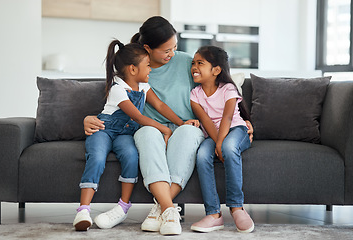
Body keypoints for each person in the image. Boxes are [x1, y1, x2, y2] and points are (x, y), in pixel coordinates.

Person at [83, 16, 253, 236]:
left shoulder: (186, 63)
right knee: (146, 135)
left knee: (187, 132)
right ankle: (169, 209)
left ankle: (161, 208)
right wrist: (88, 118)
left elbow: (217, 88)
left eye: (174, 47)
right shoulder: (135, 70)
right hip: (151, 128)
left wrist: (243, 118)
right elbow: (115, 102)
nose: (172, 54)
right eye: (166, 50)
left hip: (187, 127)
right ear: (147, 49)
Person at [73, 39, 191, 231]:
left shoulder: (143, 87)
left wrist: (180, 122)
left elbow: (160, 106)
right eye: (147, 66)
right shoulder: (117, 88)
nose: (151, 69)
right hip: (104, 129)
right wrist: (164, 129)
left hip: (124, 134)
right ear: (133, 70)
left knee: (131, 157)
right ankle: (83, 210)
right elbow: (137, 116)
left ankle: (123, 206)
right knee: (96, 157)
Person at [189, 46, 254, 233]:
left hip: (235, 129)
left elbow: (227, 118)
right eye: (193, 63)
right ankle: (213, 214)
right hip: (213, 134)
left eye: (200, 63)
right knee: (202, 156)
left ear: (216, 70)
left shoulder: (228, 88)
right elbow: (206, 121)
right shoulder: (195, 94)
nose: (194, 66)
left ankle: (236, 207)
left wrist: (220, 144)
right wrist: (217, 142)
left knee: (229, 148)